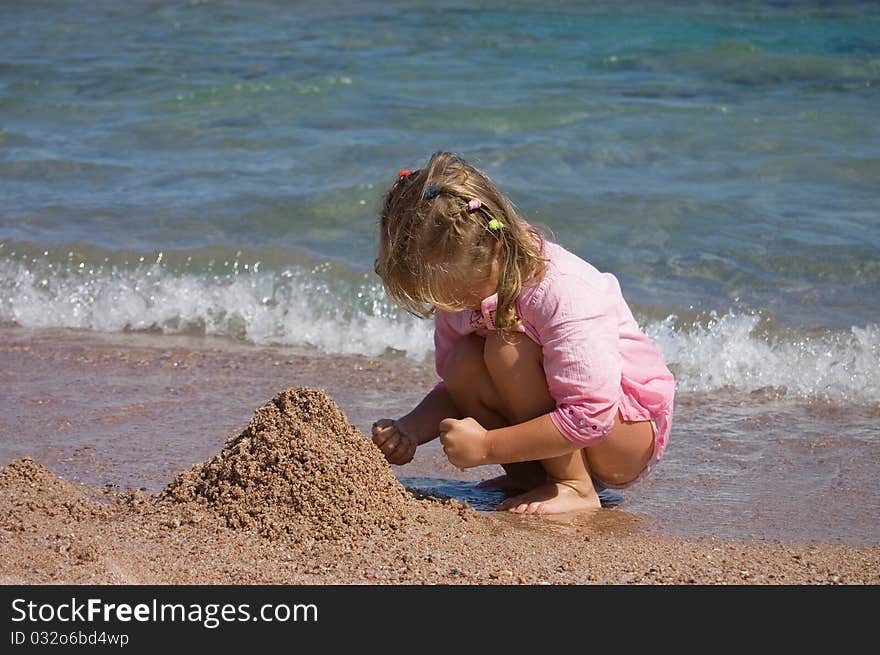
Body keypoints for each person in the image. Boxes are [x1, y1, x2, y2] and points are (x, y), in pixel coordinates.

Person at [371, 152, 675, 514]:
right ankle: (536, 479)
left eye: (461, 296)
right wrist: (410, 430)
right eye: (442, 301)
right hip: (569, 424)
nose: (453, 309)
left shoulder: (563, 289)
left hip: (622, 432)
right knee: (461, 362)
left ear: (496, 249)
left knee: (505, 345)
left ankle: (575, 487)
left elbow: (590, 414)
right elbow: (456, 390)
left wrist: (487, 446)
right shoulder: (458, 295)